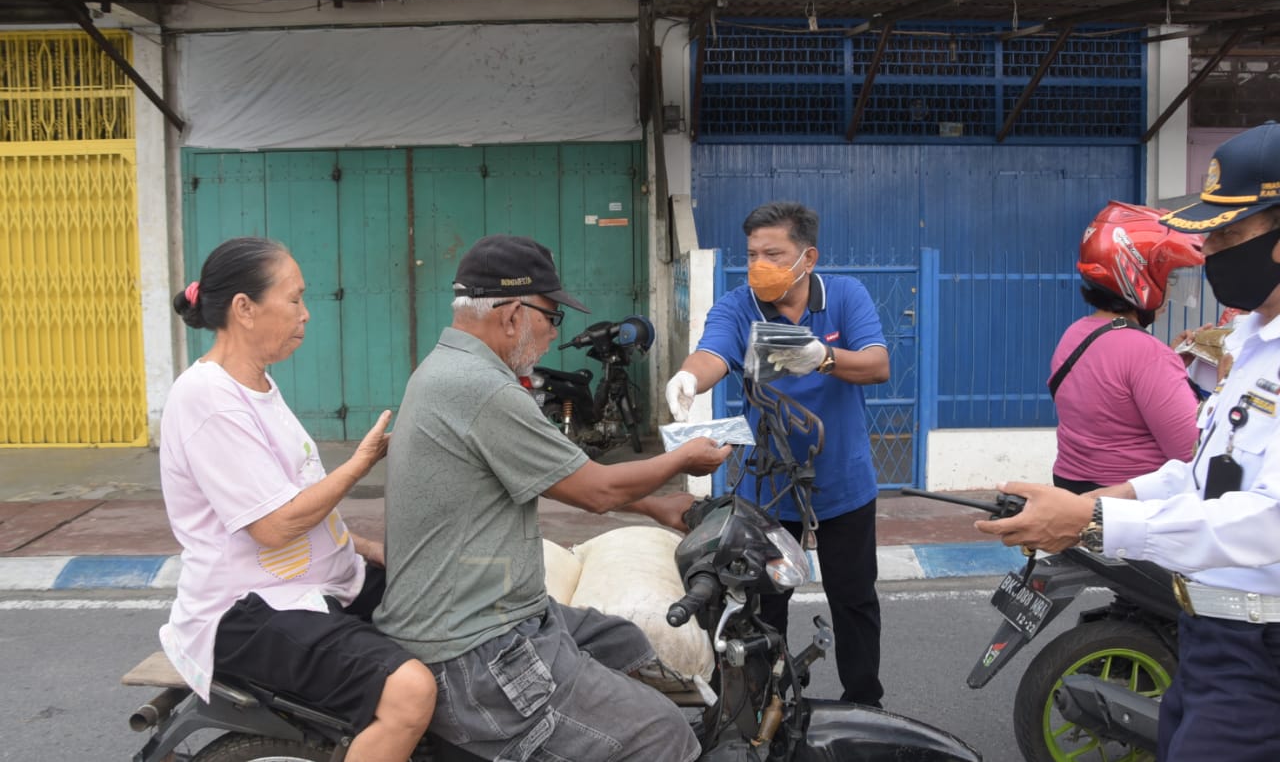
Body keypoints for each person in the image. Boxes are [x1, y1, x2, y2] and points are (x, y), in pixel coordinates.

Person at [977, 121, 1280, 761]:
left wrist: (1093, 513)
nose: (1210, 250)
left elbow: (1268, 520)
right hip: (1206, 630)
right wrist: (1106, 502)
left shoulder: (1099, 340)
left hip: (1261, 643)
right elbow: (1198, 466)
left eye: (1229, 232)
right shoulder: (1248, 347)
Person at [374, 234, 732, 762]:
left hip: (496, 612)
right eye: (552, 317)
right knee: (664, 734)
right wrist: (680, 461)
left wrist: (653, 504)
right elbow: (595, 490)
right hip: (475, 649)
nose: (553, 334)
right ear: (514, 314)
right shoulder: (482, 388)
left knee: (627, 644)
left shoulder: (449, 368)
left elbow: (556, 473)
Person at [159, 237, 435, 762]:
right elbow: (274, 525)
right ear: (244, 308)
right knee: (411, 691)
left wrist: (368, 547)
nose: (306, 313)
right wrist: (361, 462)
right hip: (245, 612)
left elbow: (289, 501)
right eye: (295, 298)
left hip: (309, 586)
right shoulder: (208, 399)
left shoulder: (256, 384)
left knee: (446, 602)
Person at [664, 200, 891, 707]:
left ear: (806, 257)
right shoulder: (739, 304)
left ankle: (864, 705)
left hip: (843, 484)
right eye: (751, 255)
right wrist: (687, 378)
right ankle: (766, 709)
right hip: (766, 488)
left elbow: (877, 364)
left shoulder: (845, 297)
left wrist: (824, 356)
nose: (758, 265)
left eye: (773, 253)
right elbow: (713, 352)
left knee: (854, 601)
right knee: (763, 608)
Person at [1050, 202, 1204, 494]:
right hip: (1134, 506)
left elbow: (1113, 403)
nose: (1171, 290)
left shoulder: (1075, 333)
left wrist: (1172, 363)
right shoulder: (1147, 354)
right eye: (1169, 276)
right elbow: (1191, 452)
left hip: (1074, 492)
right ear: (1138, 273)